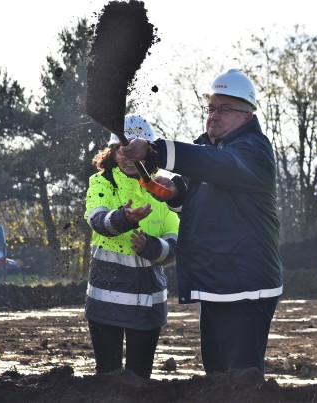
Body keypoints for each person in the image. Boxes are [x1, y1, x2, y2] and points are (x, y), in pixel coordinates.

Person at [121, 69, 282, 375]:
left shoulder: (253, 150)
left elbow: (216, 166)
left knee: (242, 382)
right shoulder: (208, 148)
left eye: (224, 110)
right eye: (211, 108)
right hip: (216, 280)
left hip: (245, 284)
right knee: (217, 379)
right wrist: (154, 181)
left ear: (248, 115)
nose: (214, 116)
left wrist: (155, 151)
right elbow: (186, 195)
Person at [84, 114, 179, 379]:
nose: (126, 157)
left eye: (132, 150)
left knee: (139, 380)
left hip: (148, 302)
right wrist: (122, 219)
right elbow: (96, 219)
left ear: (147, 153)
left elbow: (176, 246)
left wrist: (152, 248)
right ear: (113, 153)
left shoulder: (162, 189)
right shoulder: (101, 183)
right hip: (106, 299)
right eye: (119, 150)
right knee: (108, 378)